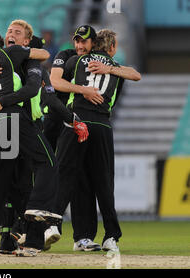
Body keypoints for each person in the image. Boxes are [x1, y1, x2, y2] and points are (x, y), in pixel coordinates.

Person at [0, 22, 88, 255]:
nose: (10, 35)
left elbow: (49, 99)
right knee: (11, 186)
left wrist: (71, 118)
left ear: (26, 42)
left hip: (25, 125)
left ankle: (29, 240)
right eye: (8, 32)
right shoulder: (2, 62)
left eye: (16, 33)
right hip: (11, 124)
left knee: (22, 186)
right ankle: (11, 239)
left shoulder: (31, 64)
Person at [49, 25, 141, 252]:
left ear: (93, 45)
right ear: (112, 47)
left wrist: (85, 85)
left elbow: (56, 81)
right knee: (103, 182)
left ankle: (51, 224)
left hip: (76, 122)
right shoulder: (116, 65)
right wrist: (111, 70)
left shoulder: (75, 62)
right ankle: (112, 236)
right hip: (102, 125)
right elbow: (136, 74)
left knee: (65, 175)